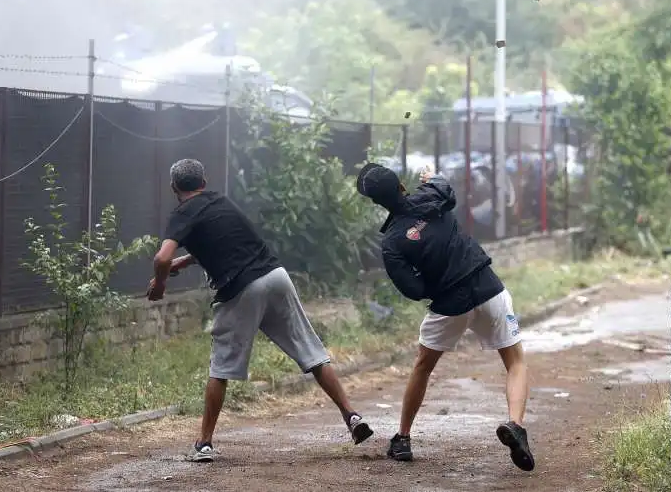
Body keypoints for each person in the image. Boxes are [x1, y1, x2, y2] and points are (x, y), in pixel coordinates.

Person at [147, 158, 373, 462]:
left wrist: (160, 284)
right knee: (311, 351)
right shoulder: (221, 201)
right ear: (205, 180)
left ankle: (204, 444)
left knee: (221, 367)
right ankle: (352, 415)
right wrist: (186, 261)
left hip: (241, 288)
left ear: (174, 187)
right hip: (275, 276)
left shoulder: (182, 212)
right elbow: (226, 242)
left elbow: (161, 259)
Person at [355, 162, 534, 471]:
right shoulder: (431, 195)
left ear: (376, 202)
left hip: (449, 303)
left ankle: (403, 439)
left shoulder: (392, 241)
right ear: (401, 184)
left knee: (423, 367)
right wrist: (431, 176)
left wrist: (433, 280)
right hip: (489, 288)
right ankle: (515, 424)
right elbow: (446, 189)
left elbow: (412, 289)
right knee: (515, 362)